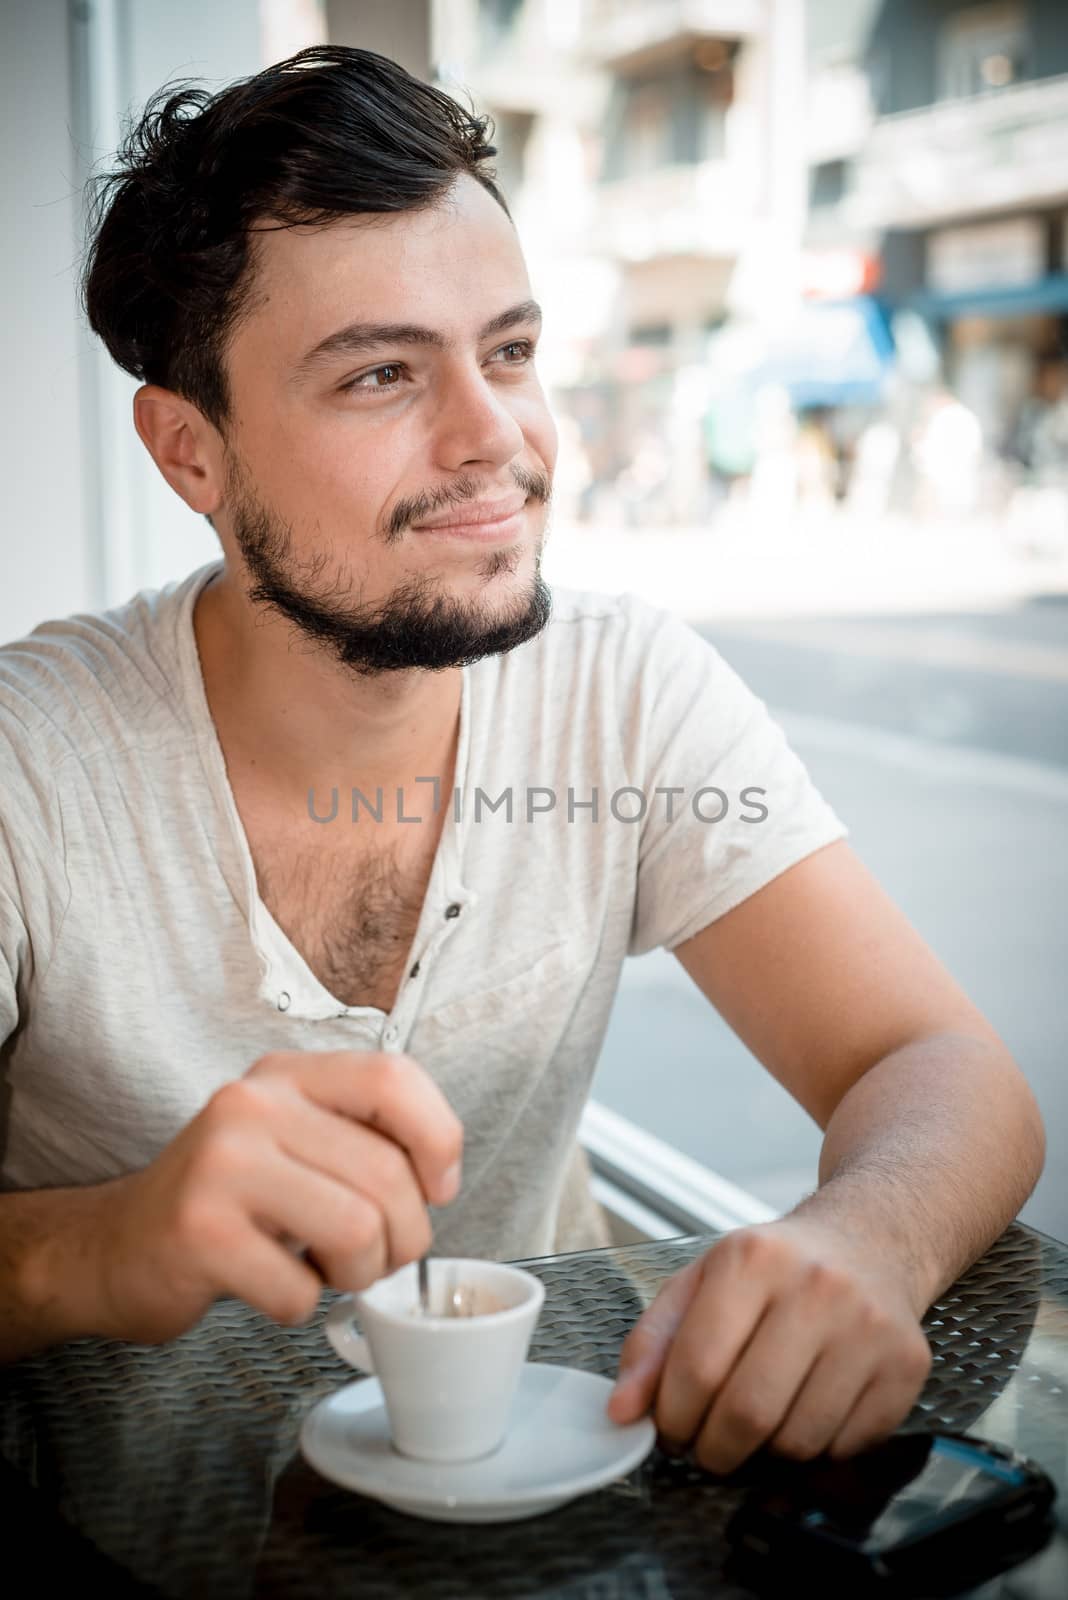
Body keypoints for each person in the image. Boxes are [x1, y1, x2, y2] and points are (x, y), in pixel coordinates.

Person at [0, 48, 1044, 1479]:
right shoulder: (27, 764)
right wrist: (97, 1247)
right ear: (192, 454)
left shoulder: (624, 687)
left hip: (557, 1508)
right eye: (381, 373)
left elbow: (939, 1066)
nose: (498, 441)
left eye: (508, 353)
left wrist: (862, 1240)